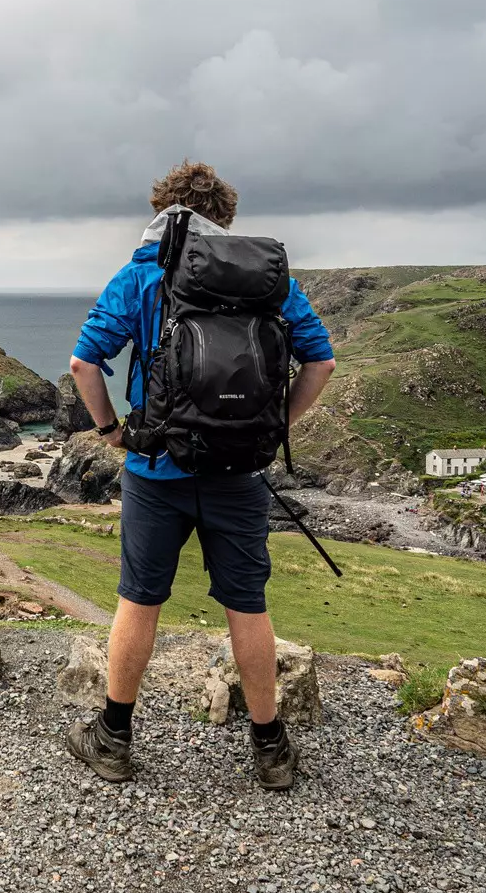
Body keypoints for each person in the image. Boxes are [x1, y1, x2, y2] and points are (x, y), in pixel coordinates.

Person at [62, 160, 337, 791]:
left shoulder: (139, 276)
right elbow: (320, 361)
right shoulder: (265, 282)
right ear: (227, 219)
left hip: (155, 467)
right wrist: (271, 428)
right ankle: (269, 751)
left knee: (140, 601)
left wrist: (111, 433)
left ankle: (113, 739)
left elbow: (84, 364)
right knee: (247, 605)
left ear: (161, 208)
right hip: (240, 470)